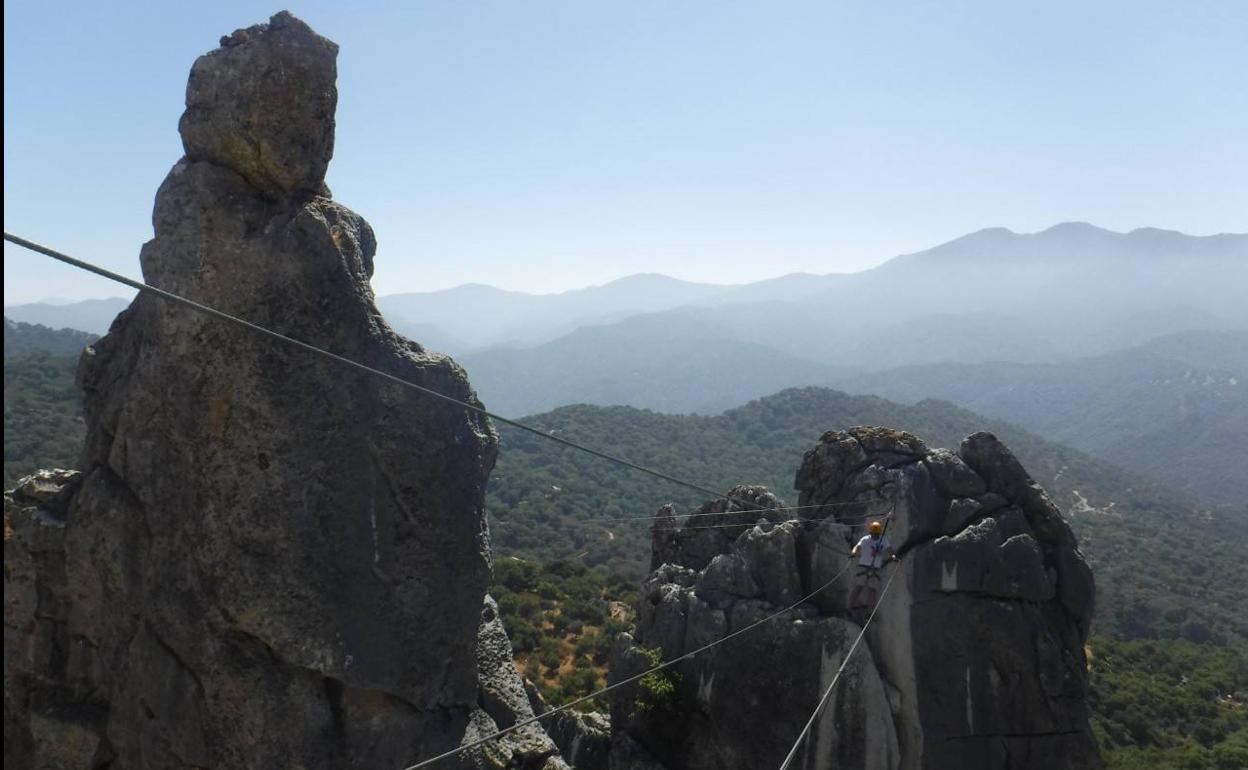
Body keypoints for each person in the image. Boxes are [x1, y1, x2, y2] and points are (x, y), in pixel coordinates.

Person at [849, 520, 895, 609]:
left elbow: (889, 549)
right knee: (858, 587)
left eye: (876, 534)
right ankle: (850, 607)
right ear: (871, 532)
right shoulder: (866, 539)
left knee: (872, 590)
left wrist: (893, 556)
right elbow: (857, 546)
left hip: (875, 569)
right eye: (874, 534)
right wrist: (853, 552)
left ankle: (869, 612)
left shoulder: (883, 539)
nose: (875, 536)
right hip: (863, 566)